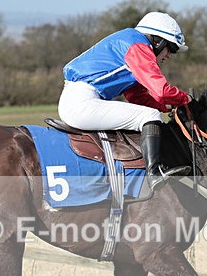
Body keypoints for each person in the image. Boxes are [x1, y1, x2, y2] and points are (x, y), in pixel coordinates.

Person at [59, 12, 192, 188]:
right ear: (158, 41)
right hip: (82, 102)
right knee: (149, 115)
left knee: (148, 113)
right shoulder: (139, 47)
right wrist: (185, 99)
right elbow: (161, 90)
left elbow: (137, 96)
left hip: (80, 99)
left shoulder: (129, 42)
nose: (169, 55)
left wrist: (167, 107)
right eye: (171, 48)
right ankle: (154, 174)